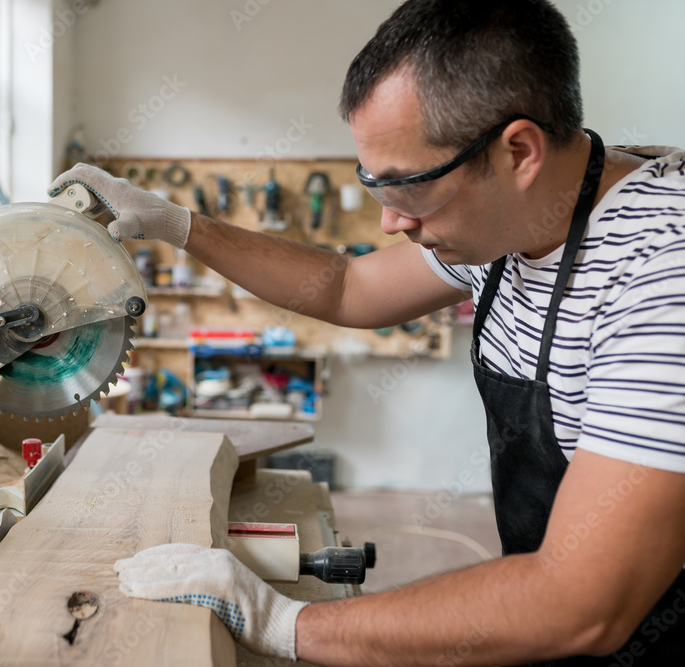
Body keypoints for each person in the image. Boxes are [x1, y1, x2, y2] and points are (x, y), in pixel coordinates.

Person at [49, 0, 685, 664]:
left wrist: (285, 622)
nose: (390, 224)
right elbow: (345, 285)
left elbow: (581, 602)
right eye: (373, 187)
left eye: (407, 187)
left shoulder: (660, 270)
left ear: (517, 152)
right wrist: (178, 224)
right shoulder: (514, 220)